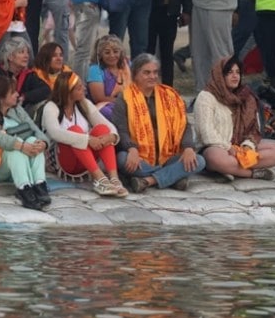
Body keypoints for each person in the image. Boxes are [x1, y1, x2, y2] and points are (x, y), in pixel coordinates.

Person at [111, 54, 206, 192]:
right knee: (121, 159)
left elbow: (184, 125)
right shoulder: (125, 98)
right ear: (135, 75)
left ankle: (148, 180)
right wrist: (131, 148)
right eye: (147, 72)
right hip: (138, 156)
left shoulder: (169, 96)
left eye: (155, 72)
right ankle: (173, 177)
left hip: (168, 156)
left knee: (199, 161)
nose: (153, 76)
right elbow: (121, 129)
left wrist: (188, 148)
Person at [194, 56, 275, 180]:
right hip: (216, 147)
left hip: (239, 146)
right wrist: (229, 148)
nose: (235, 76)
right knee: (217, 158)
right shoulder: (206, 97)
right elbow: (207, 133)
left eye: (238, 72)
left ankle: (229, 170)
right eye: (230, 72)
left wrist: (247, 146)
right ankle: (252, 173)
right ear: (220, 75)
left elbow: (253, 130)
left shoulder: (246, 97)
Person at [0, 76, 51, 210]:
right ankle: (24, 188)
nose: (17, 94)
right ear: (0, 97)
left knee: (33, 141)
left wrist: (43, 143)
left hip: (15, 162)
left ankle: (39, 184)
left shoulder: (16, 109)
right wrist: (21, 146)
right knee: (15, 149)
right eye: (12, 92)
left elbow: (33, 127)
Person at [40, 71, 128, 197]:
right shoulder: (51, 107)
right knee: (75, 130)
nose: (84, 89)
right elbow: (55, 133)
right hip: (63, 160)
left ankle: (114, 179)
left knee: (102, 129)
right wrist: (87, 140)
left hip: (84, 159)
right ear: (68, 92)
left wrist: (112, 136)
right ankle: (100, 179)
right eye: (79, 88)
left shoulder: (84, 103)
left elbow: (108, 125)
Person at [0, 37, 50, 113]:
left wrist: (24, 97)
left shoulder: (28, 75)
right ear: (10, 57)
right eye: (21, 52)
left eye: (27, 52)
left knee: (48, 106)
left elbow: (46, 90)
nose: (26, 56)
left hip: (22, 112)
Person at [87, 34, 131, 120]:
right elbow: (99, 99)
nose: (112, 55)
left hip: (128, 103)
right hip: (104, 106)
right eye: (107, 52)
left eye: (115, 51)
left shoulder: (127, 66)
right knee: (107, 112)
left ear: (121, 52)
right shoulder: (95, 69)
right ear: (100, 54)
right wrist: (125, 102)